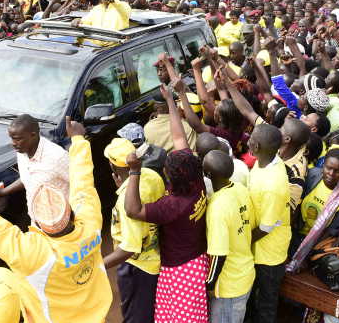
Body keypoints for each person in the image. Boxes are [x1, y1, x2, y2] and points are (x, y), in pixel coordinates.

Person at [0, 117, 111, 323]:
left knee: (0, 281)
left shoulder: (34, 254)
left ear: (38, 223)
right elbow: (84, 183)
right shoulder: (91, 223)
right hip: (97, 316)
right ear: (70, 211)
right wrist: (79, 140)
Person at [125, 83, 209, 323]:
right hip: (196, 260)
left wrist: (134, 171)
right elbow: (179, 137)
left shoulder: (172, 206)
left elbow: (133, 210)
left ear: (171, 178)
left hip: (180, 271)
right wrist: (170, 100)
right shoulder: (197, 182)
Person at [103, 138, 165, 323]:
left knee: (135, 316)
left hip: (136, 267)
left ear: (113, 166)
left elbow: (130, 247)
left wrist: (98, 265)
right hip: (155, 257)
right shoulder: (151, 175)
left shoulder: (125, 201)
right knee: (146, 310)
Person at [0, 114, 69, 227]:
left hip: (63, 228)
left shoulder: (58, 157)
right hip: (37, 225)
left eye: (17, 139)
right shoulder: (22, 151)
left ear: (33, 135)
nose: (13, 143)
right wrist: (3, 192)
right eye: (11, 138)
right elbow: (29, 178)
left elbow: (82, 188)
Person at [246, 123, 292, 323]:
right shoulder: (265, 160)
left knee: (266, 302)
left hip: (269, 252)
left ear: (256, 147)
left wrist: (243, 242)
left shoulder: (274, 185)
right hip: (258, 245)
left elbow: (266, 227)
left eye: (251, 138)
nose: (247, 139)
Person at [203, 150, 256, 323]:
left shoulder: (217, 207)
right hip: (246, 271)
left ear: (208, 174)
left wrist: (209, 284)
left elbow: (219, 254)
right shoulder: (240, 189)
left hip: (229, 286)